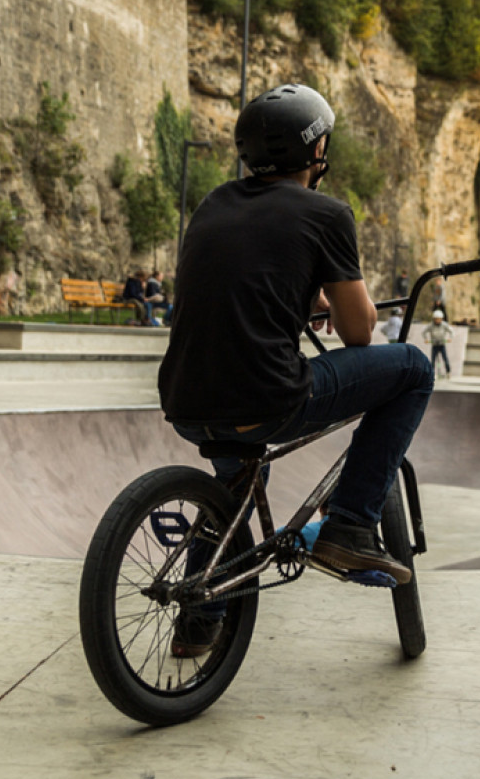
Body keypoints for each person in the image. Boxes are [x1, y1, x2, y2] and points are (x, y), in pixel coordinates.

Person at [158, 83, 431, 656]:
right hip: (267, 397)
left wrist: (309, 300)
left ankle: (198, 623)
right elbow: (359, 334)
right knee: (412, 368)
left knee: (233, 487)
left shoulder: (213, 203)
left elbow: (244, 284)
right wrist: (343, 304)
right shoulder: (327, 214)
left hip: (185, 400)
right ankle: (350, 524)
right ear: (318, 148)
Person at [424, 309, 454, 377]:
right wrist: (426, 339)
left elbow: (451, 331)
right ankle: (432, 373)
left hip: (442, 344)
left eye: (439, 319)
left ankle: (448, 372)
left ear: (441, 319)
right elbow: (424, 332)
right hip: (434, 345)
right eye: (436, 319)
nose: (437, 320)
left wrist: (450, 338)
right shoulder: (431, 325)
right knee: (433, 360)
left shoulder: (444, 325)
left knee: (445, 359)